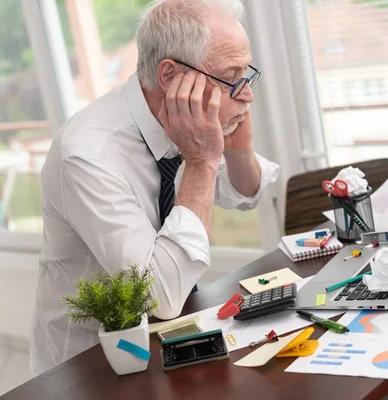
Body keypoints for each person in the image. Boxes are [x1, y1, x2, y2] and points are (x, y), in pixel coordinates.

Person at [29, 0, 279, 376]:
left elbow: (243, 193)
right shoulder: (87, 154)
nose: (247, 94)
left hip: (167, 343)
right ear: (170, 76)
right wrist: (201, 162)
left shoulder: (182, 114)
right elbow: (159, 295)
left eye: (247, 74)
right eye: (232, 76)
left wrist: (239, 146)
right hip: (90, 366)